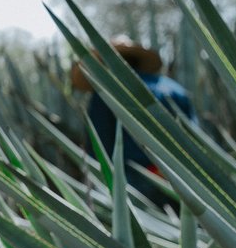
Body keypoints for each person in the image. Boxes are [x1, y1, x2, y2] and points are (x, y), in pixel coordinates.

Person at [71, 40, 197, 207]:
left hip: (136, 180)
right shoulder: (175, 89)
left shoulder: (104, 94)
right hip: (184, 178)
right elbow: (195, 139)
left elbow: (100, 145)